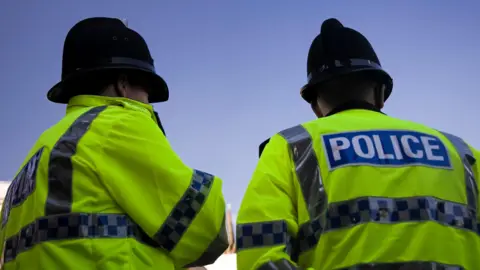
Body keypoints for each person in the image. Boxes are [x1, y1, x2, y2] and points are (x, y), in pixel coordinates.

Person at [236, 18, 480, 270]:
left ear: (315, 105)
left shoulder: (291, 147)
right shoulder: (461, 152)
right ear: (381, 93)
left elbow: (260, 253)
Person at [0, 17, 228, 270]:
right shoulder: (115, 124)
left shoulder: (35, 159)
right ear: (123, 85)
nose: (148, 103)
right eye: (147, 93)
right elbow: (206, 231)